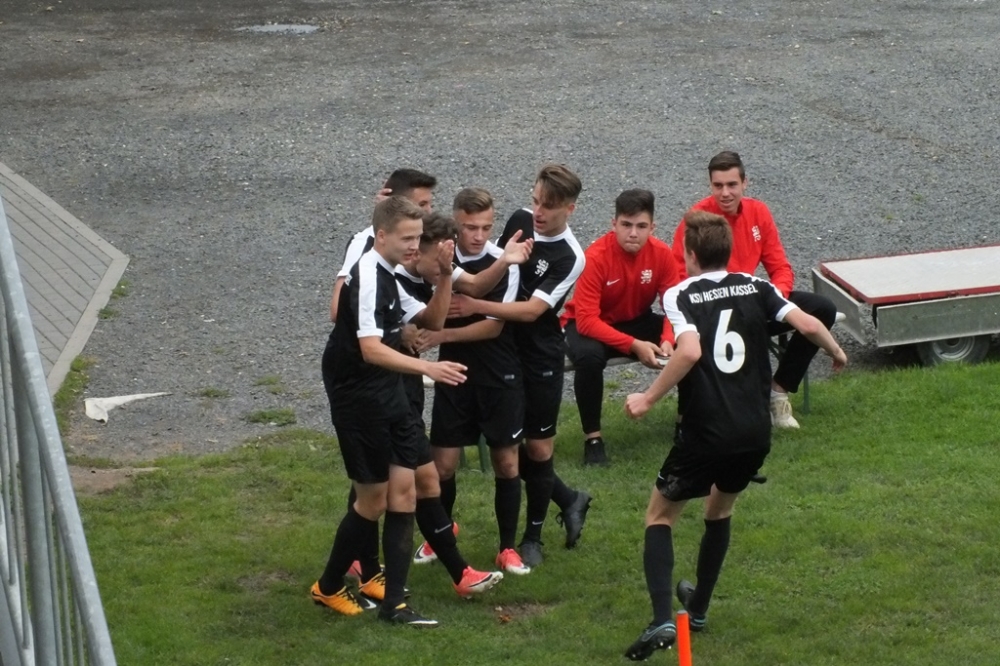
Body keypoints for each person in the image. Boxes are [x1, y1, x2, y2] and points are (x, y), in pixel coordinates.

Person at [623, 210, 847, 660]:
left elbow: (689, 351)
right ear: (728, 251)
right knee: (719, 508)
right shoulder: (754, 285)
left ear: (689, 254)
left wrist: (647, 398)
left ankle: (662, 618)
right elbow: (807, 324)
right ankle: (698, 609)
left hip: (706, 429)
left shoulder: (680, 294)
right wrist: (837, 352)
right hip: (754, 430)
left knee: (659, 516)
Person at [311, 196, 467, 627]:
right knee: (373, 500)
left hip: (390, 393)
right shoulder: (366, 275)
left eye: (418, 237)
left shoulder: (392, 274)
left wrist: (446, 276)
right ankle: (328, 586)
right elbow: (370, 349)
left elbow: (433, 322)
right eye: (407, 238)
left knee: (405, 493)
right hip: (360, 399)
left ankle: (394, 606)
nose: (415, 246)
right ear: (381, 236)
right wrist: (427, 367)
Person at [449, 164, 592, 567]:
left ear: (570, 209)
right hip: (502, 349)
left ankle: (533, 538)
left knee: (539, 446)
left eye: (549, 206)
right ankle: (569, 499)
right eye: (535, 201)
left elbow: (531, 311)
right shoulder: (519, 220)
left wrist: (475, 305)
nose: (538, 212)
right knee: (507, 443)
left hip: (540, 354)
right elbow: (492, 265)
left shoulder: (571, 256)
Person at [671, 151, 838, 429]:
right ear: (710, 185)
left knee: (823, 308)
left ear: (745, 183)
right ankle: (690, 415)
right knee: (692, 340)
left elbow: (780, 267)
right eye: (718, 185)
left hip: (753, 304)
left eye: (732, 185)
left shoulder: (759, 212)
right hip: (714, 311)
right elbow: (680, 278)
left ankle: (778, 390)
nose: (725, 193)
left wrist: (776, 299)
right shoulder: (696, 219)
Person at [413, 188, 531, 576]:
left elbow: (493, 327)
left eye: (485, 227)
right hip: (454, 372)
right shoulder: (440, 258)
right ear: (455, 223)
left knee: (507, 462)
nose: (478, 236)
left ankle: (507, 548)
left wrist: (441, 335)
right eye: (469, 227)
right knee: (443, 464)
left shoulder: (506, 261)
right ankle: (441, 534)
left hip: (498, 374)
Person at [561, 189, 680, 465]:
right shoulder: (595, 257)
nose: (633, 233)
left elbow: (676, 308)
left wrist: (668, 338)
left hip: (635, 319)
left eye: (641, 226)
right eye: (626, 225)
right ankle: (593, 440)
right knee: (589, 357)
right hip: (589, 324)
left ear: (652, 227)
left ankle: (685, 425)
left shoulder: (662, 254)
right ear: (614, 224)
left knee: (689, 339)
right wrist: (634, 345)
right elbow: (587, 320)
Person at [329, 168, 438, 323]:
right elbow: (338, 311)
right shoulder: (363, 245)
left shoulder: (427, 236)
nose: (429, 212)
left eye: (429, 204)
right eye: (422, 205)